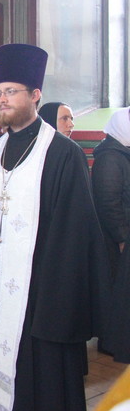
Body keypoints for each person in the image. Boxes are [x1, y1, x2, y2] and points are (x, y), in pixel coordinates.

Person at [0, 44, 108, 411]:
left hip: (39, 302)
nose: (1, 100)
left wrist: (53, 308)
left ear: (35, 95)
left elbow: (75, 238)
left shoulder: (62, 154)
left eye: (11, 92)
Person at [92, 107, 130, 363]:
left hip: (121, 235)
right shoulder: (110, 157)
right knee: (115, 291)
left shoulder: (121, 153)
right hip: (115, 238)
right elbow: (108, 202)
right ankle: (111, 341)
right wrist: (122, 237)